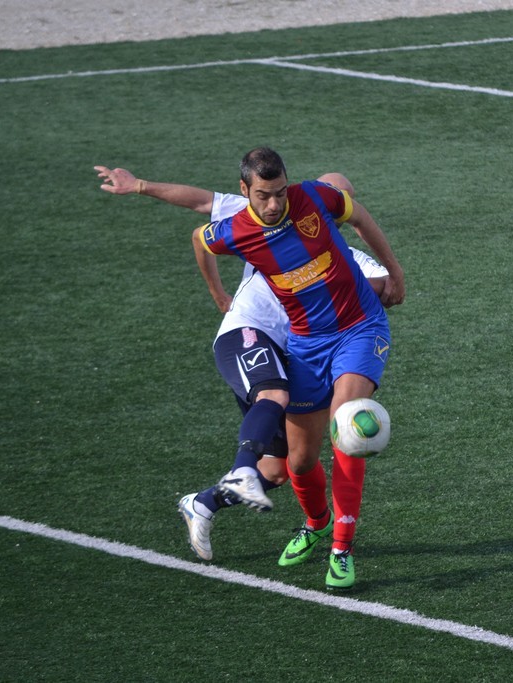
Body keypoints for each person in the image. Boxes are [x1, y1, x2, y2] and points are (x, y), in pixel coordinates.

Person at [94, 165, 389, 568]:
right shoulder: (264, 209)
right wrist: (141, 186)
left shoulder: (349, 257)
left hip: (294, 350)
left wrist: (339, 282)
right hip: (249, 331)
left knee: (281, 469)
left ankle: (203, 502)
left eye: (340, 201)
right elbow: (201, 203)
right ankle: (244, 472)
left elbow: (384, 286)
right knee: (273, 395)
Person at [196, 147, 404, 590]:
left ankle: (342, 549)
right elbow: (200, 240)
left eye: (280, 192)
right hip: (306, 343)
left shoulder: (314, 198)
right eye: (264, 195)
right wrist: (217, 294)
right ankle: (316, 523)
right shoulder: (235, 231)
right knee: (299, 458)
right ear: (245, 191)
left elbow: (361, 217)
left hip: (360, 329)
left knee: (346, 426)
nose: (275, 203)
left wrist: (394, 271)